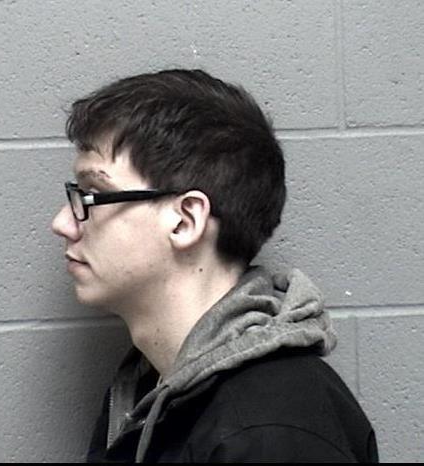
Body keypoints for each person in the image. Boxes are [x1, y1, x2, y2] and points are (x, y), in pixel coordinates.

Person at [52, 69, 379, 463]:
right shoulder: (146, 391)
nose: (63, 223)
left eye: (93, 195)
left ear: (185, 221)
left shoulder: (271, 429)